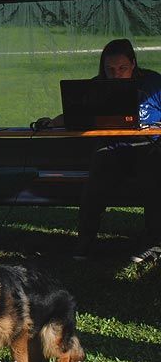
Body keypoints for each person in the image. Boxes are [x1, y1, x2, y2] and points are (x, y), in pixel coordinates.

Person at [69, 39, 161, 262]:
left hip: (148, 147)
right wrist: (52, 122)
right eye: (110, 70)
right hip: (112, 149)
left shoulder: (153, 83)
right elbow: (77, 116)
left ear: (133, 64)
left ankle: (153, 243)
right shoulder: (97, 87)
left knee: (154, 177)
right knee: (96, 179)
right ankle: (85, 240)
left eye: (122, 68)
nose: (116, 74)